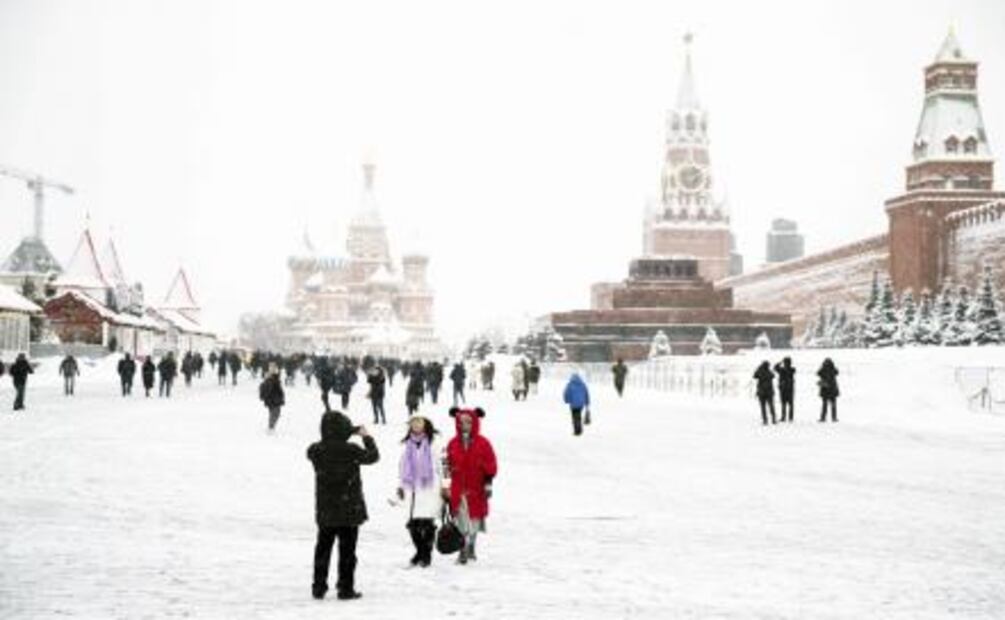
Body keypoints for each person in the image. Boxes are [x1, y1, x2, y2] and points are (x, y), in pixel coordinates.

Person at [306, 411, 379, 601]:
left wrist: (345, 432)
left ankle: (318, 587)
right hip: (349, 509)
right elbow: (373, 457)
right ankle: (345, 588)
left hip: (326, 509)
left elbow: (317, 447)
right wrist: (366, 436)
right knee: (347, 551)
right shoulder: (351, 450)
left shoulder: (316, 450)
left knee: (323, 549)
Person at [445, 407, 497, 565]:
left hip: (476, 489)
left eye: (468, 422)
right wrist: (446, 485)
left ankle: (471, 545)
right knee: (461, 520)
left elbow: (491, 464)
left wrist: (488, 484)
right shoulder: (453, 443)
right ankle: (463, 549)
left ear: (475, 422)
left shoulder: (484, 443)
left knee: (474, 520)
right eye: (461, 422)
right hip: (458, 488)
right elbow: (446, 466)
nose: (464, 425)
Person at [396, 415, 444, 567]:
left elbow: (445, 466)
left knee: (427, 523)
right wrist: (400, 486)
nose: (416, 425)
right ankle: (420, 552)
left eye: (419, 422)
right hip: (412, 489)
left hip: (430, 488)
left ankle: (425, 556)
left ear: (425, 424)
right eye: (413, 422)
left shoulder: (435, 442)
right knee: (413, 524)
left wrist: (446, 486)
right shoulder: (408, 443)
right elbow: (402, 466)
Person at [259, 363, 285, 432]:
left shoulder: (275, 377)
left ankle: (271, 427)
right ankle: (271, 427)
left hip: (275, 399)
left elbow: (278, 388)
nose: (276, 370)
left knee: (274, 413)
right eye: (274, 368)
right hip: (273, 399)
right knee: (275, 413)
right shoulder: (270, 378)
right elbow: (269, 389)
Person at [753, 361, 777, 425]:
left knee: (763, 407)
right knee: (771, 406)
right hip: (769, 392)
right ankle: (773, 419)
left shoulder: (760, 372)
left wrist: (758, 368)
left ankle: (765, 420)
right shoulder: (769, 372)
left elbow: (754, 376)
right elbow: (773, 376)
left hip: (762, 393)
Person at [817, 358, 840, 423]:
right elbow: (837, 372)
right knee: (832, 405)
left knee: (825, 405)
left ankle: (823, 418)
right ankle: (833, 418)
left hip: (827, 390)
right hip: (831, 390)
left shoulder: (824, 370)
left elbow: (818, 373)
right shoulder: (832, 370)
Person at [774, 357, 796, 423]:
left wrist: (780, 362)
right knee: (790, 404)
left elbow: (775, 367)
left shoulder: (783, 370)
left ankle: (784, 417)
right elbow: (775, 368)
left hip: (784, 389)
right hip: (789, 389)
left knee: (785, 404)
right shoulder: (792, 369)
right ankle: (790, 417)